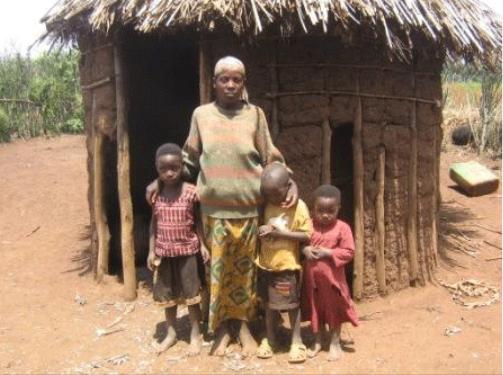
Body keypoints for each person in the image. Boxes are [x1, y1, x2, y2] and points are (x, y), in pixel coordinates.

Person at [146, 56, 298, 357]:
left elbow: (271, 157)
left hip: (248, 211)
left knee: (244, 276)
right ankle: (223, 330)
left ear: (243, 84)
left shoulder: (255, 115)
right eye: (224, 79)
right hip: (212, 213)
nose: (230, 84)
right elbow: (187, 159)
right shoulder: (201, 115)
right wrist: (159, 181)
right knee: (217, 275)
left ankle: (242, 327)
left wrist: (291, 182)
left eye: (236, 79)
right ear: (213, 83)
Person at [147, 143, 210, 356]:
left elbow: (198, 222)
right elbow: (153, 224)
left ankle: (195, 333)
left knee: (192, 295)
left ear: (182, 166)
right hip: (164, 253)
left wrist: (202, 245)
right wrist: (150, 250)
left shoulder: (191, 192)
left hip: (187, 252)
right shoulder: (156, 195)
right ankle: (171, 333)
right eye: (163, 169)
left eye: (174, 167)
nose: (169, 173)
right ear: (156, 168)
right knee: (167, 295)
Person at [255, 164, 311, 363]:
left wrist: (279, 234)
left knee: (292, 305)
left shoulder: (298, 206)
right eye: (267, 195)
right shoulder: (267, 204)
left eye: (275, 194)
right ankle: (270, 339)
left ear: (288, 186)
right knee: (269, 305)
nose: (271, 198)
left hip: (287, 265)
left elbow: (306, 234)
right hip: (267, 265)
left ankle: (297, 341)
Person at [301, 185, 359, 361]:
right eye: (320, 211)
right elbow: (298, 244)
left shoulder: (342, 228)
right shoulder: (308, 226)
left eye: (330, 211)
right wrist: (305, 249)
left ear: (338, 209)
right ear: (313, 209)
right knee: (315, 309)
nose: (325, 215)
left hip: (333, 281)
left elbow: (349, 251)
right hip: (313, 282)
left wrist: (329, 253)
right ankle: (318, 341)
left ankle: (334, 342)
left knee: (335, 309)